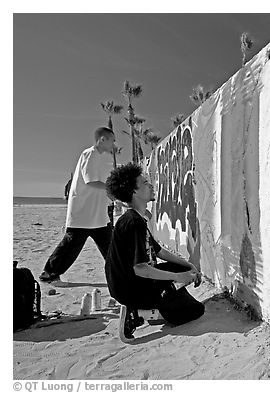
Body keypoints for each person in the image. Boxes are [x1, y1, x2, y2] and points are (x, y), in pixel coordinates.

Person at [104, 162, 204, 338]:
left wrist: (190, 266)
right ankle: (139, 312)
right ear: (134, 191)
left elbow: (159, 251)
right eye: (144, 183)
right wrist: (179, 277)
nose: (150, 185)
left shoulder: (137, 218)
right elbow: (140, 269)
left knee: (183, 271)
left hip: (135, 283)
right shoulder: (133, 222)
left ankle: (161, 302)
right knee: (195, 311)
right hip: (132, 289)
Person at [39, 127, 117, 283]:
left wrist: (111, 196)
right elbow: (91, 181)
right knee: (70, 246)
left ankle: (120, 275)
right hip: (84, 212)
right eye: (112, 140)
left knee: (110, 247)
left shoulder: (97, 157)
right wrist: (112, 189)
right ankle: (49, 274)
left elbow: (98, 185)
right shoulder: (90, 154)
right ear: (103, 139)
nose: (114, 144)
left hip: (97, 214)